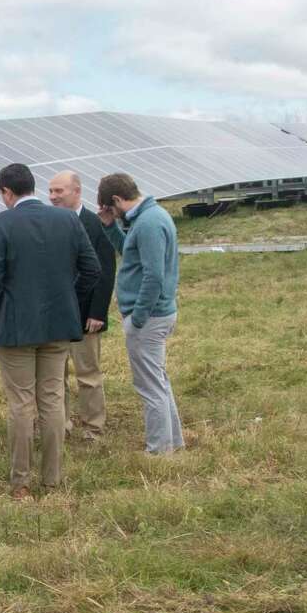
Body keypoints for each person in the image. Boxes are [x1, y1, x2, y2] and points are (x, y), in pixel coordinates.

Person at [0, 164, 99, 499]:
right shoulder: (67, 220)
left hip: (16, 328)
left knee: (20, 404)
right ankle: (52, 479)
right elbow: (92, 270)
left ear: (6, 192)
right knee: (52, 400)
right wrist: (68, 302)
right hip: (60, 326)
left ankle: (21, 483)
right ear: (33, 187)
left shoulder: (0, 224)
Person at [96, 173, 184, 455]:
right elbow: (131, 253)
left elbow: (153, 276)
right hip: (156, 315)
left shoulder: (148, 223)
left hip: (149, 317)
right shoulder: (149, 218)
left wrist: (138, 318)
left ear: (117, 200)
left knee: (149, 386)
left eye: (111, 209)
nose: (113, 214)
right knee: (158, 380)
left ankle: (158, 451)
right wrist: (110, 228)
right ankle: (173, 443)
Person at [49, 171, 117, 441]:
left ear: (76, 191)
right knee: (55, 376)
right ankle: (60, 426)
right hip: (56, 315)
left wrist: (98, 312)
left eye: (58, 191)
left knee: (88, 374)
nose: (53, 197)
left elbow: (105, 270)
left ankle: (93, 428)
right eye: (50, 191)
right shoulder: (50, 224)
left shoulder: (95, 224)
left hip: (85, 316)